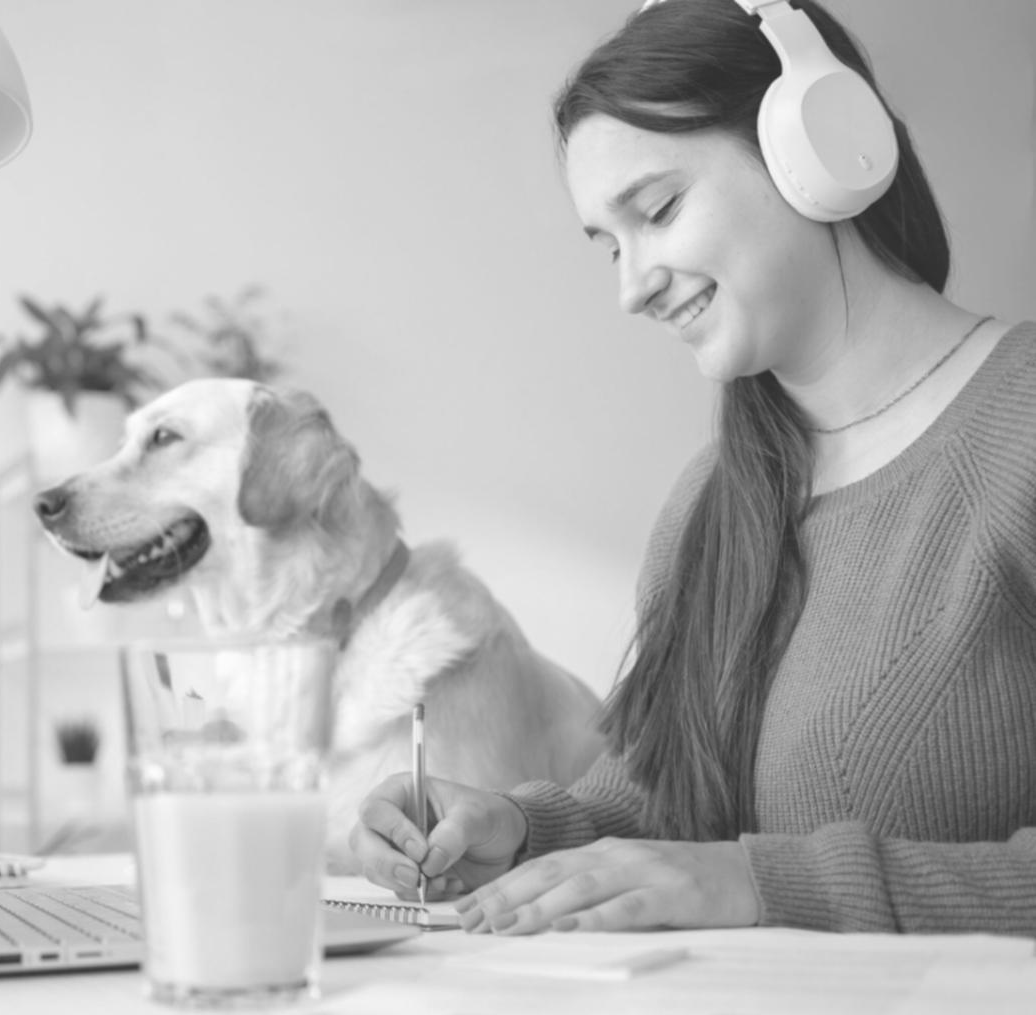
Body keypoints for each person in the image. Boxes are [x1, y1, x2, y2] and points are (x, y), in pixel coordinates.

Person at [348, 0, 1036, 937]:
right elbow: (672, 807)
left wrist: (764, 885)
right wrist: (520, 829)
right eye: (608, 245)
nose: (631, 287)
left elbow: (731, 868)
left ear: (821, 152)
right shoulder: (712, 503)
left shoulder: (1019, 426)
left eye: (658, 210)